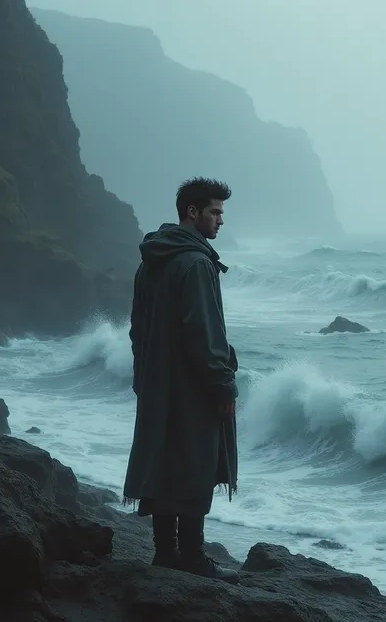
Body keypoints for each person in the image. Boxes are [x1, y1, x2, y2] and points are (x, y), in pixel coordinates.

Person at [123, 177, 239, 584]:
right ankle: (191, 555)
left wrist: (144, 377)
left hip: (158, 381)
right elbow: (204, 333)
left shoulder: (151, 259)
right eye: (215, 212)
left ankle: (164, 554)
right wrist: (224, 385)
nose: (221, 220)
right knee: (195, 462)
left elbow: (137, 328)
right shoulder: (196, 263)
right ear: (192, 212)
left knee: (166, 459)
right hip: (191, 386)